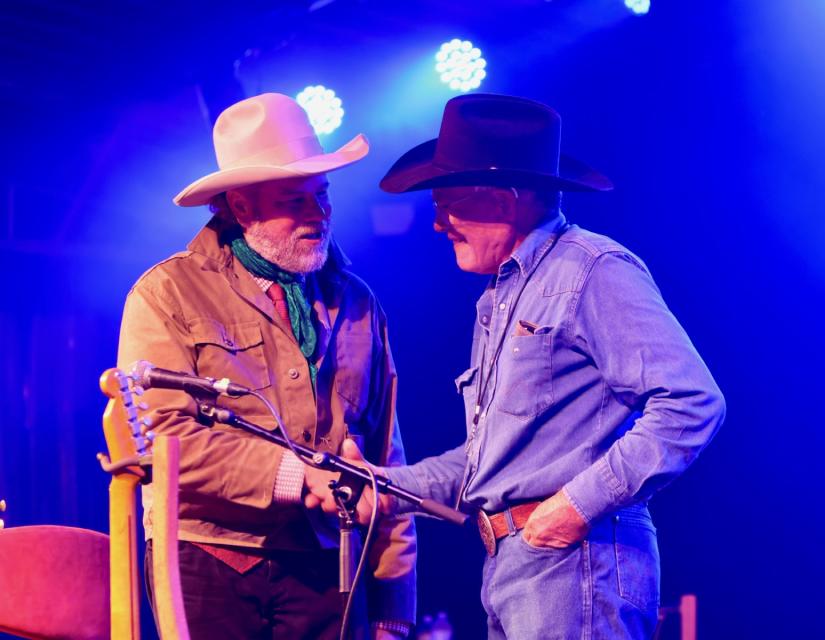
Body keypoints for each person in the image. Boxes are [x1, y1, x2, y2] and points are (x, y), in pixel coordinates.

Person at [328, 93, 726, 639]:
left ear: (504, 199)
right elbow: (488, 462)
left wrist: (574, 507)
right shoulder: (502, 297)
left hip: (576, 562)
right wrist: (386, 485)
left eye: (446, 201)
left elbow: (692, 402)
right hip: (520, 565)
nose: (438, 223)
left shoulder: (593, 269)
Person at [117, 93, 416, 639]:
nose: (319, 215)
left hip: (331, 568)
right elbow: (162, 438)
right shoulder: (167, 293)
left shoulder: (357, 301)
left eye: (321, 196)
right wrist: (295, 476)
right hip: (210, 560)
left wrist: (394, 601)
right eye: (295, 201)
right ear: (241, 206)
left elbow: (385, 455)